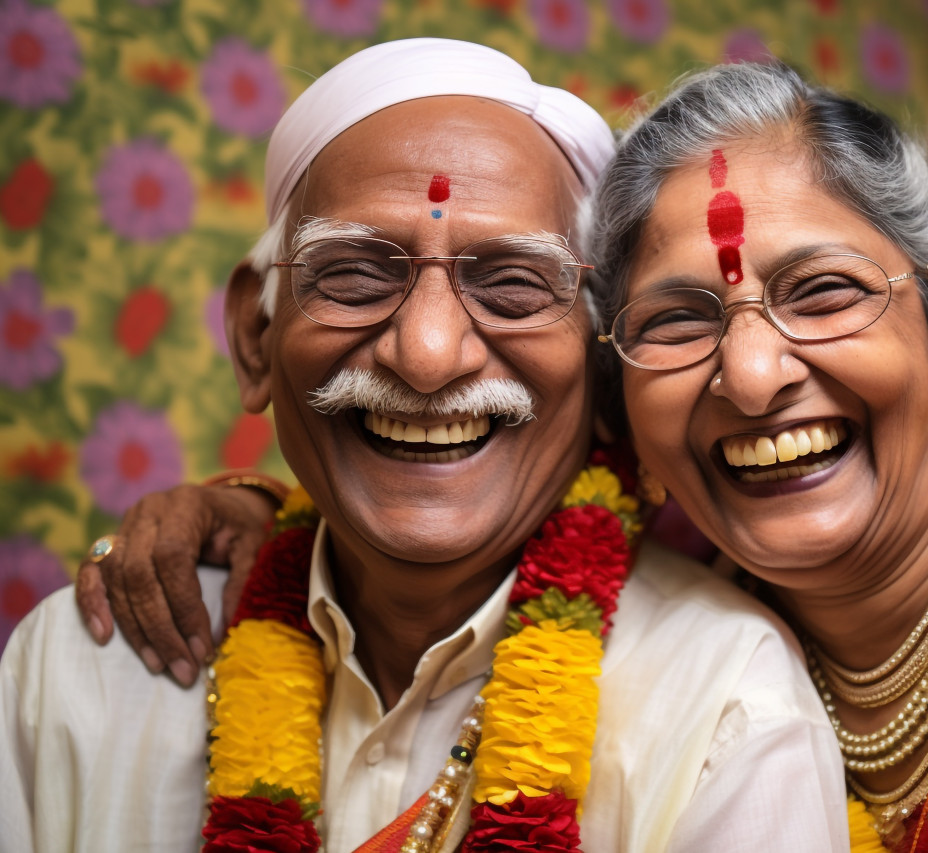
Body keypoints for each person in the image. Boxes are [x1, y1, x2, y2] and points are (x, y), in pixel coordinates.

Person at [73, 62, 928, 852]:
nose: (750, 378)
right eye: (678, 320)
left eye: (820, 293)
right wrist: (244, 508)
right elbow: (423, 474)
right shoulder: (674, 538)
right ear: (613, 393)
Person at [0, 42, 850, 853]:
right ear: (255, 337)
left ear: (598, 364)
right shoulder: (79, 673)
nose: (429, 354)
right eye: (356, 274)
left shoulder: (725, 706)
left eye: (513, 284)